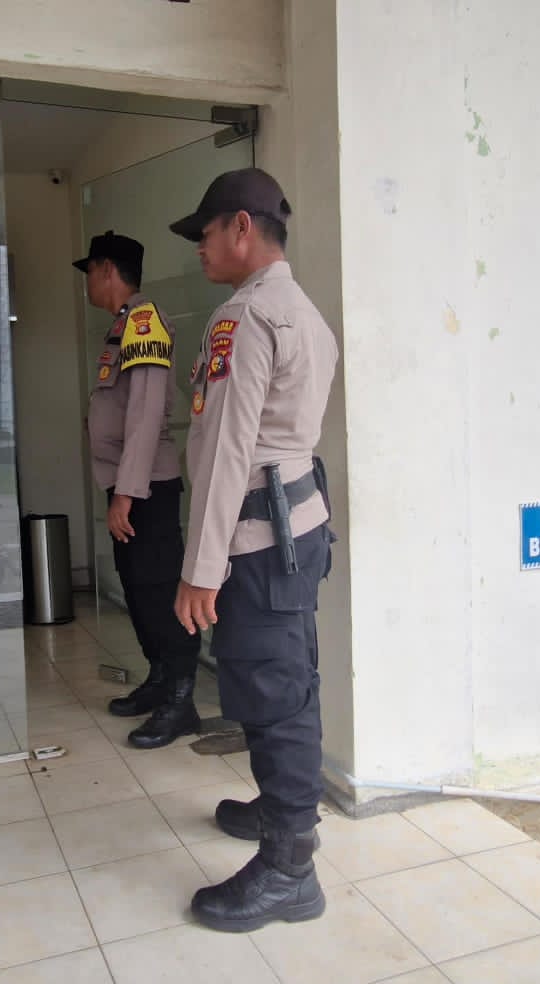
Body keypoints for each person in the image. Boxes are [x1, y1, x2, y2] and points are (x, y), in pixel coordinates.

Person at [167, 169, 339, 931]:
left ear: (241, 226)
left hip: (257, 538)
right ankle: (279, 809)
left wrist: (201, 568)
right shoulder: (301, 311)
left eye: (204, 232)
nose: (199, 247)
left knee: (274, 691)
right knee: (288, 677)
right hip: (293, 530)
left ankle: (289, 867)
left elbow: (225, 450)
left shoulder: (244, 316)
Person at [74, 231, 203, 749]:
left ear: (107, 269)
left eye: (90, 271)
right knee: (138, 591)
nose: (87, 282)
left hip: (147, 488)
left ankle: (182, 699)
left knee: (159, 591)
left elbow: (147, 413)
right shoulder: (123, 325)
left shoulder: (144, 321)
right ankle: (160, 678)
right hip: (128, 487)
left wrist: (127, 494)